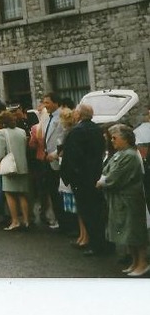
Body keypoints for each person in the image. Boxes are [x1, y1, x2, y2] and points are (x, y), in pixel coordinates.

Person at [100, 123, 148, 276]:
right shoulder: (120, 153)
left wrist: (103, 181)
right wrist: (105, 178)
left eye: (115, 138)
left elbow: (114, 177)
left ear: (125, 139)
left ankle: (143, 263)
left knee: (134, 233)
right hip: (120, 199)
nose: (112, 141)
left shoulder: (130, 155)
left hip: (130, 200)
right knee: (128, 234)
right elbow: (106, 170)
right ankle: (135, 262)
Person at [62, 103, 108, 255]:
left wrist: (71, 177)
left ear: (78, 115)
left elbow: (72, 157)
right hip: (96, 173)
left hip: (82, 179)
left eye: (75, 112)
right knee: (97, 211)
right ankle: (100, 242)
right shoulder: (97, 129)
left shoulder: (76, 132)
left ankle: (96, 245)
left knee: (87, 212)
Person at [0, 108, 32, 231]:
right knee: (22, 194)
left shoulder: (1, 133)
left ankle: (15, 221)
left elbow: (1, 153)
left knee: (10, 194)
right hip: (22, 165)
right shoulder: (22, 132)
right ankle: (27, 220)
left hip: (9, 166)